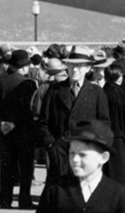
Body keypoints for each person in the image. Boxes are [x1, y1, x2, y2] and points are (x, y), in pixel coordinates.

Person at [39, 46, 111, 186]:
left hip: (86, 152)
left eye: (79, 66)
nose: (75, 70)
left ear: (88, 68)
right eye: (71, 65)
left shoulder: (96, 92)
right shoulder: (54, 91)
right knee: (59, 193)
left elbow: (104, 123)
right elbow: (43, 122)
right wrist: (51, 144)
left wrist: (94, 146)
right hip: (60, 151)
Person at [0, 49, 39, 209]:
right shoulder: (29, 83)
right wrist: (15, 123)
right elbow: (29, 109)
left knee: (6, 165)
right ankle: (24, 199)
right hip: (24, 130)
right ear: (25, 67)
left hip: (4, 129)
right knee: (25, 166)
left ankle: (5, 199)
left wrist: (3, 123)